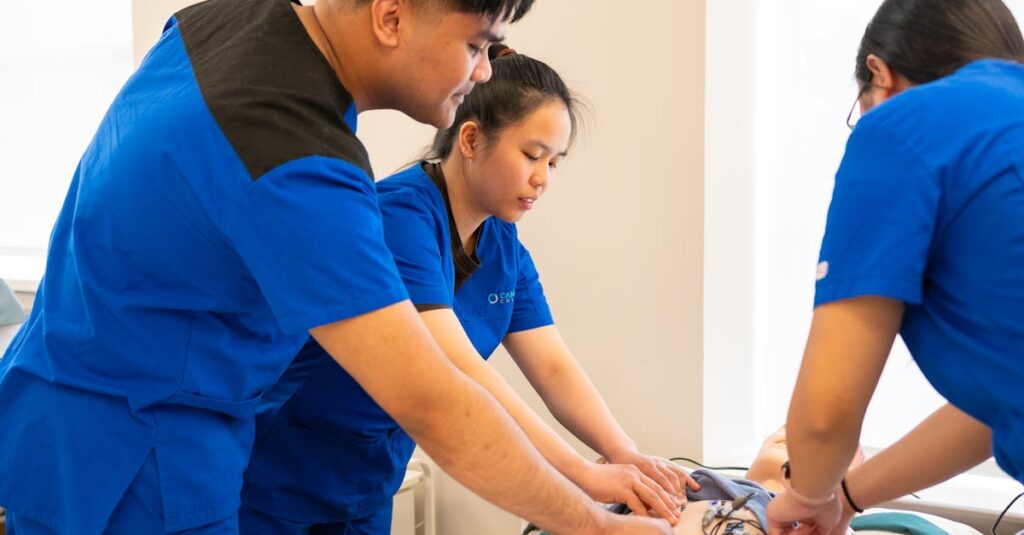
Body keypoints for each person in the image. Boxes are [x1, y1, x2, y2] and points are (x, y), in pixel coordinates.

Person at [0, 1, 673, 534]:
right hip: (131, 452)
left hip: (79, 409)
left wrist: (609, 465)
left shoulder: (232, 25)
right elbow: (435, 397)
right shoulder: (301, 159)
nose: (484, 75)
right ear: (390, 15)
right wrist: (590, 518)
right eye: (475, 46)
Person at [238, 45, 696, 534]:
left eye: (555, 163)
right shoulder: (399, 217)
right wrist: (583, 475)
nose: (542, 179)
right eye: (531, 155)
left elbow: (554, 367)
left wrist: (626, 455)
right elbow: (462, 371)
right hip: (280, 477)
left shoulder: (502, 243)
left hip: (368, 480)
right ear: (472, 140)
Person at [765, 0, 1024, 533]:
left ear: (878, 74)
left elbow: (824, 416)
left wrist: (803, 491)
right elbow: (998, 408)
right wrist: (842, 497)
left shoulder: (904, 126)